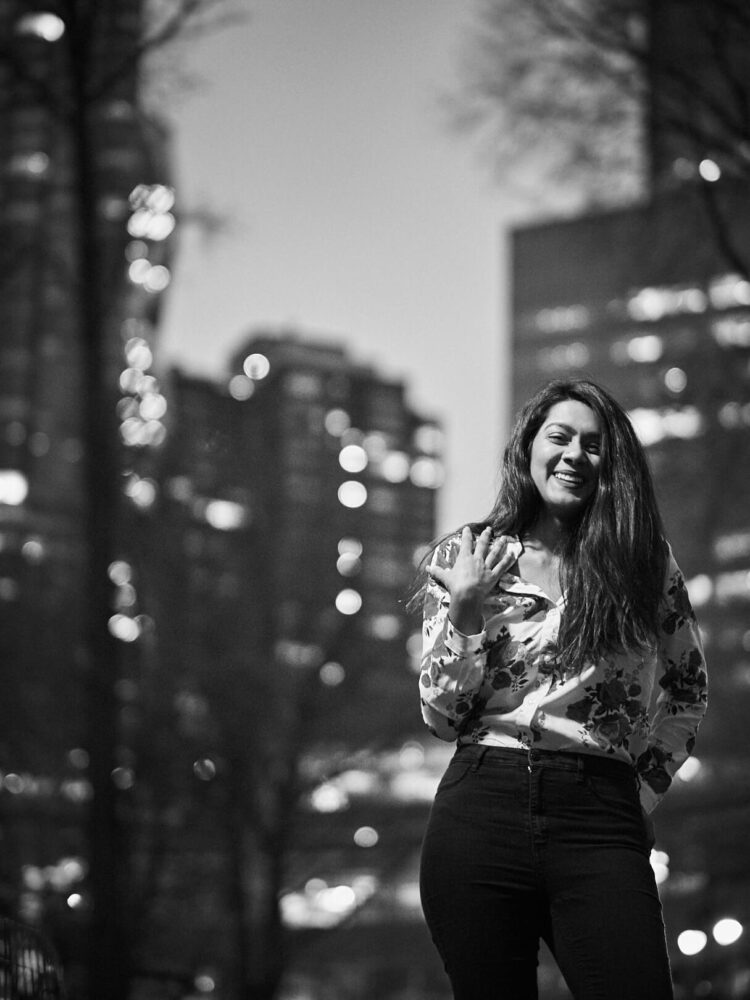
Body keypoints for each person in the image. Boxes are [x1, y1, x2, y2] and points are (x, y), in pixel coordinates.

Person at [416, 378, 707, 1000]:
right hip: (479, 809)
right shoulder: (468, 556)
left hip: (599, 814)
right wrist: (466, 611)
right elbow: (442, 718)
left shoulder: (645, 563)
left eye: (594, 445)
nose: (576, 454)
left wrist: (640, 793)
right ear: (529, 448)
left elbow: (686, 693)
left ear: (612, 466)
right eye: (560, 436)